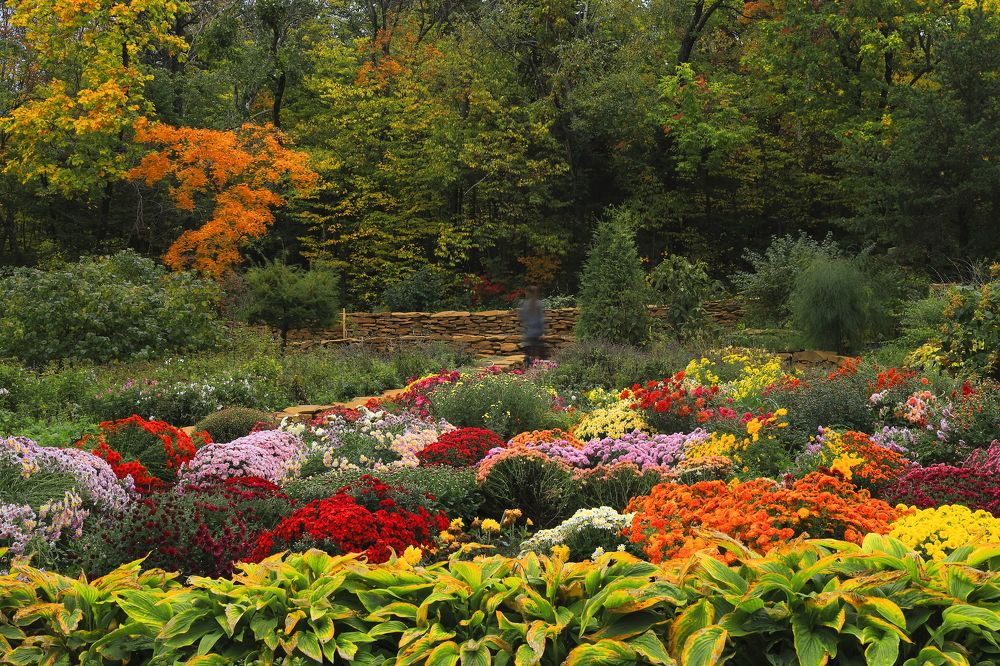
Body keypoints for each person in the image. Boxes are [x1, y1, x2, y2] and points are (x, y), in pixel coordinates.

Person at [519, 285, 545, 366]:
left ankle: (533, 366)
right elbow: (523, 317)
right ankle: (532, 366)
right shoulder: (528, 304)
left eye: (526, 293)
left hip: (533, 331)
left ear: (530, 293)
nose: (525, 294)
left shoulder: (535, 304)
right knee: (531, 350)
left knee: (532, 350)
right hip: (531, 330)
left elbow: (540, 318)